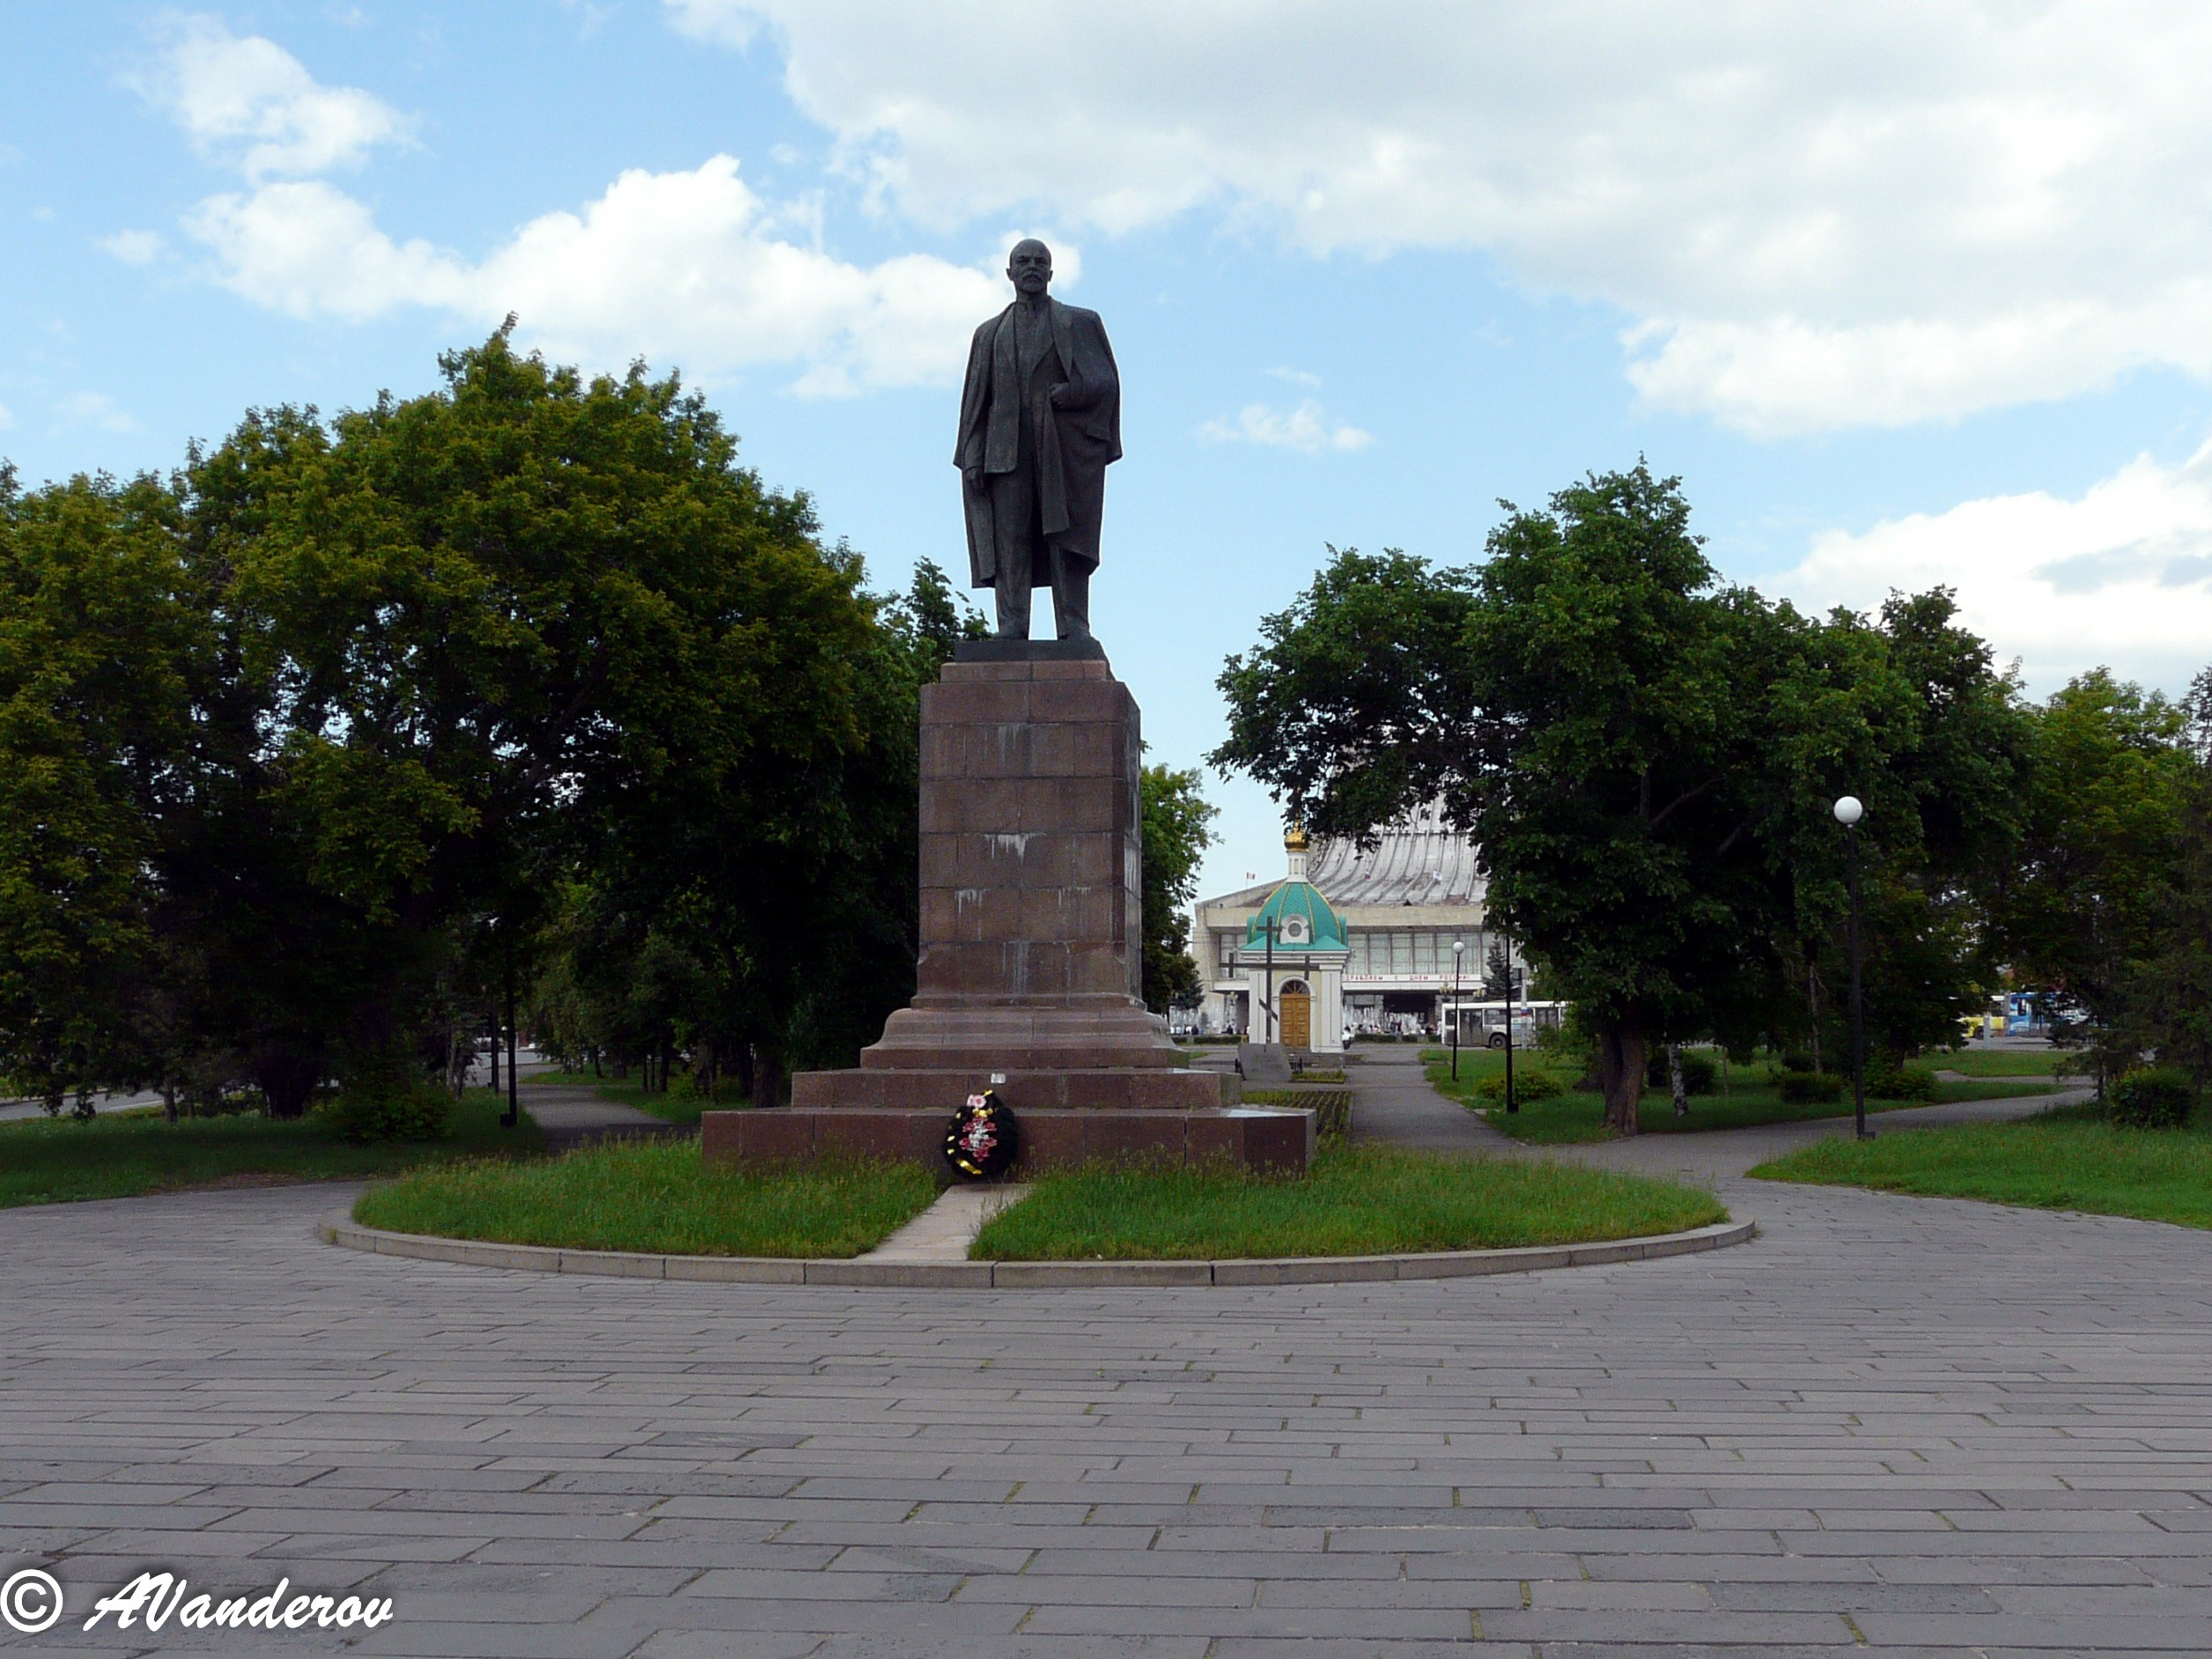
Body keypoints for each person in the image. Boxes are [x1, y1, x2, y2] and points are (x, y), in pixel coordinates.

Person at [955, 240, 1121, 642]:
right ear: (1009, 272)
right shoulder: (989, 334)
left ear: (1050, 272)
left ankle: (1073, 625)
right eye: (1023, 261)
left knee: (1065, 538)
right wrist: (973, 455)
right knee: (1010, 540)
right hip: (1004, 453)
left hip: (1060, 450)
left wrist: (1072, 392)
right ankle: (1012, 625)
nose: (1032, 267)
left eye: (1040, 262)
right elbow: (976, 400)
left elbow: (1106, 382)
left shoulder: (1079, 322)